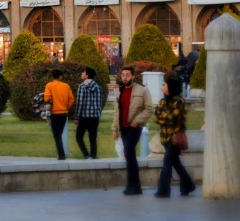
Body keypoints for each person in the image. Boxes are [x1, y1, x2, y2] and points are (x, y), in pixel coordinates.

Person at [112, 65, 153, 195]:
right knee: (130, 155)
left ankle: (132, 185)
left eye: (128, 75)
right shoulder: (119, 91)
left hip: (135, 127)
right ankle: (135, 186)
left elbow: (149, 108)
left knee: (129, 152)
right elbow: (116, 112)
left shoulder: (142, 90)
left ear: (133, 76)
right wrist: (115, 129)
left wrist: (137, 121)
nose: (125, 77)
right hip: (123, 128)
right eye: (123, 75)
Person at [154, 75, 196, 198]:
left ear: (170, 87)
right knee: (175, 163)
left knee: (167, 163)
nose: (161, 87)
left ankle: (163, 190)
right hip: (165, 138)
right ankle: (188, 185)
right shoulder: (162, 101)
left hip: (175, 138)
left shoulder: (179, 101)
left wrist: (163, 117)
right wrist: (164, 117)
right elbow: (156, 117)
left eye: (164, 85)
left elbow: (173, 118)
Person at [44, 69, 75, 160]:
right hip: (63, 113)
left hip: (54, 113)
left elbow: (46, 99)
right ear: (60, 76)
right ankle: (61, 154)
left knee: (56, 135)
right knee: (59, 134)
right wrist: (66, 107)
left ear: (52, 76)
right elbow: (71, 99)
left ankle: (61, 155)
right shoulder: (66, 86)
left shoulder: (49, 85)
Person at [74, 66, 102, 159]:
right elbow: (99, 103)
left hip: (84, 117)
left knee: (78, 137)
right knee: (93, 138)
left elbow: (80, 103)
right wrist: (98, 114)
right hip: (94, 117)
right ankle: (93, 156)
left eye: (83, 72)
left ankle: (86, 155)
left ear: (87, 75)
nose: (82, 74)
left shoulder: (82, 87)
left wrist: (77, 117)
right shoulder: (97, 87)